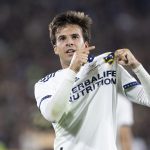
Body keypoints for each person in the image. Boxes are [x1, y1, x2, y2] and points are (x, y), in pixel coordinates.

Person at [34, 11, 150, 150]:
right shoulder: (45, 84)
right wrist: (72, 71)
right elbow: (52, 114)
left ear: (86, 45)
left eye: (75, 37)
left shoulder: (106, 64)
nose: (69, 42)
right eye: (62, 38)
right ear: (55, 49)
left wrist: (136, 66)